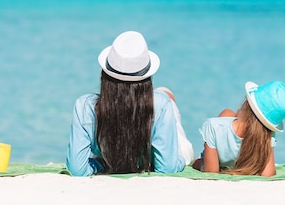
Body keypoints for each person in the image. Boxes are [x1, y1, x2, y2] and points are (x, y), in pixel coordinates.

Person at [66, 30, 194, 176]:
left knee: (164, 100)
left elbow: (77, 169)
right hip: (157, 108)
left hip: (114, 152)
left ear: (105, 74)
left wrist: (100, 165)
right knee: (165, 98)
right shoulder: (161, 105)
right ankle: (167, 95)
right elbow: (167, 167)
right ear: (146, 79)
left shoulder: (84, 106)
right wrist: (182, 159)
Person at [192, 80, 285, 176]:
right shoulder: (267, 135)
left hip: (220, 150)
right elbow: (268, 173)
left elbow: (212, 172)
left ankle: (237, 122)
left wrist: (200, 164)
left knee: (226, 113)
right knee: (228, 114)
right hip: (245, 163)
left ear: (246, 103)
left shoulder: (213, 126)